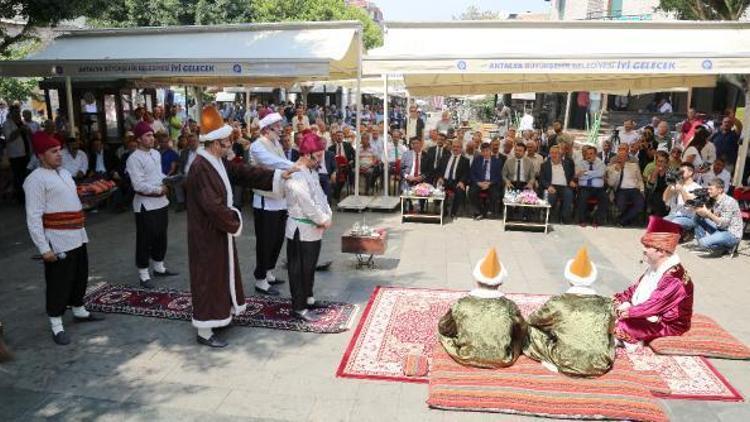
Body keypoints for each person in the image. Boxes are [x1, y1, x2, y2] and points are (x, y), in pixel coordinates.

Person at [185, 106, 290, 348]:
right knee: (207, 277)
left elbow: (243, 172)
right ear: (214, 143)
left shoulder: (216, 160)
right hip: (206, 235)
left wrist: (277, 176)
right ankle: (204, 330)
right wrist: (235, 220)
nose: (230, 145)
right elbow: (212, 206)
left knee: (221, 274)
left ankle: (221, 316)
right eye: (226, 142)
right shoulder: (201, 167)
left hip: (218, 232)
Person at [23, 132, 104, 346]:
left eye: (59, 150)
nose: (59, 155)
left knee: (79, 276)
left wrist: (83, 205)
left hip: (77, 234)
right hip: (57, 239)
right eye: (53, 151)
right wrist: (43, 248)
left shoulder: (65, 174)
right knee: (59, 282)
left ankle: (79, 310)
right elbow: (33, 216)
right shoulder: (34, 180)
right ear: (41, 156)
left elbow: (70, 200)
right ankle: (56, 324)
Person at [524, 246, 615, 376]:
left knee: (528, 329)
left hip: (565, 361)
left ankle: (553, 361)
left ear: (569, 278)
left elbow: (533, 320)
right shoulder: (607, 304)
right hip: (600, 364)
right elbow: (610, 331)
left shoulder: (558, 303)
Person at [614, 216, 693, 351]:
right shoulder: (656, 267)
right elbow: (636, 289)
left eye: (647, 246)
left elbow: (654, 305)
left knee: (620, 325)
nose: (643, 250)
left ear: (661, 251)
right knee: (611, 311)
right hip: (653, 314)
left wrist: (627, 312)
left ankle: (630, 341)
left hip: (668, 323)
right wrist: (620, 299)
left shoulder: (673, 278)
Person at [438, 248, 526, 368]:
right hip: (502, 360)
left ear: (477, 280)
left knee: (443, 334)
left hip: (466, 357)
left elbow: (444, 327)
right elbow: (522, 330)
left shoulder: (462, 304)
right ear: (500, 283)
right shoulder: (509, 306)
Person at [284, 131, 333, 323]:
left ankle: (308, 298)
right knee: (299, 270)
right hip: (301, 230)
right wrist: (322, 219)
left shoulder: (311, 171)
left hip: (314, 228)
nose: (320, 161)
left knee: (310, 267)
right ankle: (299, 307)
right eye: (318, 156)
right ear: (306, 154)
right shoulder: (296, 174)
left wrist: (327, 214)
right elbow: (306, 203)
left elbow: (320, 197)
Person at [126, 121, 178, 288]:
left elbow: (158, 174)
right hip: (145, 205)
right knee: (145, 240)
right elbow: (138, 185)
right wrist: (159, 190)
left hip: (161, 203)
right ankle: (143, 274)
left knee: (161, 236)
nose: (151, 138)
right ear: (139, 139)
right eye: (147, 136)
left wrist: (169, 179)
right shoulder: (133, 159)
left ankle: (159, 267)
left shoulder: (155, 154)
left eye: (151, 135)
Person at [249, 112, 295, 296]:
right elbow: (273, 162)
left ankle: (269, 272)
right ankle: (260, 279)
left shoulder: (276, 143)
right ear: (267, 129)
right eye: (277, 126)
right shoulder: (257, 145)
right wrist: (294, 165)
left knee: (277, 240)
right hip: (265, 201)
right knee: (265, 241)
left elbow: (280, 163)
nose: (281, 129)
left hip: (279, 199)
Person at [692, 178, 743, 256]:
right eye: (708, 189)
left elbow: (724, 224)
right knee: (697, 217)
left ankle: (728, 247)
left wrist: (708, 213)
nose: (708, 191)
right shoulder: (714, 199)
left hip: (731, 234)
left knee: (703, 242)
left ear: (720, 190)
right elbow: (710, 217)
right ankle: (704, 246)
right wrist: (698, 210)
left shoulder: (729, 202)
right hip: (721, 229)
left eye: (711, 189)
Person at [607, 144, 645, 226]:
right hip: (621, 190)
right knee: (621, 206)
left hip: (634, 189)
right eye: (619, 157)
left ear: (627, 157)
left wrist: (642, 190)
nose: (621, 158)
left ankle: (622, 220)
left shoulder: (634, 165)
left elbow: (640, 179)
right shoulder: (612, 167)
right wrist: (616, 171)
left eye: (623, 157)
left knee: (640, 204)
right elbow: (611, 183)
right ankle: (625, 220)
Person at [539, 145, 576, 224]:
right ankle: (547, 216)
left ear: (560, 154)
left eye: (556, 153)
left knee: (569, 194)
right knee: (551, 195)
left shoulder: (567, 164)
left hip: (564, 186)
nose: (554, 155)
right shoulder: (545, 165)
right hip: (551, 186)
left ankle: (564, 217)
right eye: (552, 153)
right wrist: (548, 186)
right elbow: (542, 179)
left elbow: (571, 175)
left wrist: (572, 181)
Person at [3, 105, 32, 203]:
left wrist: (28, 131)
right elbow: (9, 138)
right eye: (15, 112)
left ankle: (26, 196)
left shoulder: (21, 123)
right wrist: (20, 129)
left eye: (18, 112)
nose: (17, 114)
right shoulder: (7, 124)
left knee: (26, 176)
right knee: (18, 177)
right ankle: (20, 198)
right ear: (11, 113)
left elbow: (29, 136)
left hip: (25, 153)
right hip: (15, 155)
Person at [663, 162, 701, 234]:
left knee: (674, 222)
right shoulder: (679, 184)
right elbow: (665, 198)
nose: (680, 173)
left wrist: (682, 190)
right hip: (676, 215)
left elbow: (690, 205)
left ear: (690, 172)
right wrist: (670, 183)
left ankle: (688, 232)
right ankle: (680, 233)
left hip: (689, 217)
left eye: (682, 171)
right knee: (662, 221)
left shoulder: (697, 188)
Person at [436, 139, 470, 218]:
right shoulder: (444, 157)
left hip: (456, 182)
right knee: (439, 189)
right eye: (454, 146)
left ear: (461, 148)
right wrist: (440, 177)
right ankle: (443, 210)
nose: (455, 148)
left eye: (458, 147)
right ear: (451, 147)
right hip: (444, 180)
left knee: (460, 191)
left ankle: (453, 212)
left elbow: (466, 174)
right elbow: (438, 169)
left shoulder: (465, 161)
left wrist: (462, 181)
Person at [575, 146, 608, 227]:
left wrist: (586, 173)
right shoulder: (580, 163)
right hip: (585, 187)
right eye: (587, 154)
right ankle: (582, 220)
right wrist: (595, 174)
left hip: (598, 188)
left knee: (605, 198)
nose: (588, 155)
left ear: (595, 154)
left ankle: (597, 220)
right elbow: (580, 176)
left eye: (591, 153)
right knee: (582, 197)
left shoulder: (600, 163)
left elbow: (601, 173)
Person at [469, 142, 503, 220]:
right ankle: (482, 211)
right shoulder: (477, 160)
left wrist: (489, 183)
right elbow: (472, 173)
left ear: (490, 150)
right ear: (481, 152)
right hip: (479, 182)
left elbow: (498, 176)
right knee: (471, 193)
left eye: (487, 150)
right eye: (483, 151)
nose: (485, 153)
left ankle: (485, 211)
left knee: (495, 194)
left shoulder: (497, 161)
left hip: (491, 183)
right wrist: (478, 183)